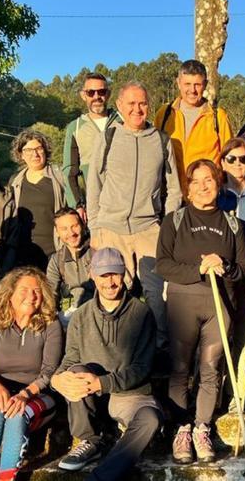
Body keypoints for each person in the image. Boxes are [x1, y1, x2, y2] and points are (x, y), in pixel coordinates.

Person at [155, 159, 245, 464]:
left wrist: (224, 267)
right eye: (195, 182)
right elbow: (163, 265)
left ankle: (202, 427)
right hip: (184, 302)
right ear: (188, 188)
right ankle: (182, 427)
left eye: (208, 180)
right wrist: (198, 268)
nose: (203, 187)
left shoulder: (235, 224)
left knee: (211, 368)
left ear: (218, 182)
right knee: (180, 368)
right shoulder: (174, 221)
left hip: (220, 305)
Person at [86, 80, 182, 353]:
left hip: (148, 228)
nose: (137, 109)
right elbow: (94, 183)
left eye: (142, 103)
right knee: (114, 291)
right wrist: (95, 227)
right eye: (131, 103)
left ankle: (161, 353)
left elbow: (173, 187)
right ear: (119, 105)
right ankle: (112, 352)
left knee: (158, 294)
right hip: (110, 227)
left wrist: (168, 224)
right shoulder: (109, 137)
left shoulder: (161, 141)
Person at [51, 248, 162, 480]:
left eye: (115, 274)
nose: (110, 282)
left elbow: (142, 368)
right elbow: (70, 359)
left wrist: (102, 383)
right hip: (91, 395)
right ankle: (90, 440)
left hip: (130, 394)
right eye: (103, 275)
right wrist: (57, 378)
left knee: (150, 419)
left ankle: (102, 475)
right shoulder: (80, 316)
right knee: (75, 372)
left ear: (124, 275)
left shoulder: (142, 313)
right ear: (93, 275)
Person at [0, 266, 64, 481]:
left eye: (37, 291)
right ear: (10, 294)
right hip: (0, 391)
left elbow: (49, 372)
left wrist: (25, 394)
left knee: (17, 414)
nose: (31, 296)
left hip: (39, 393)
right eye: (24, 290)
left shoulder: (51, 325)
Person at [153, 59, 233, 194]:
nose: (192, 90)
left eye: (197, 84)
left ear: (205, 84)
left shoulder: (218, 117)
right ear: (178, 83)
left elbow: (229, 158)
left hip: (206, 195)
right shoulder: (165, 114)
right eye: (187, 84)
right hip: (171, 195)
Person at [62, 73, 123, 215]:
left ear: (108, 94)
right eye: (91, 92)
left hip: (126, 203)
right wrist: (77, 205)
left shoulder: (123, 121)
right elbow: (69, 172)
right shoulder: (75, 128)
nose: (96, 97)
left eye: (101, 92)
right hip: (95, 208)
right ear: (83, 95)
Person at [8, 129, 68, 270]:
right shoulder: (15, 182)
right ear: (21, 154)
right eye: (28, 150)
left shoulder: (59, 178)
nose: (34, 154)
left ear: (45, 150)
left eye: (39, 148)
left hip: (54, 251)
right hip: (23, 253)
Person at [46, 207, 94, 327]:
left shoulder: (96, 251)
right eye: (64, 229)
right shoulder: (56, 260)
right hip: (70, 314)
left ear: (83, 225)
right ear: (57, 231)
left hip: (97, 309)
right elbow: (50, 293)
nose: (71, 233)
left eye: (74, 226)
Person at [216, 137, 245, 226]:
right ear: (223, 163)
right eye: (231, 159)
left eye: (243, 159)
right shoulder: (215, 195)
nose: (237, 163)